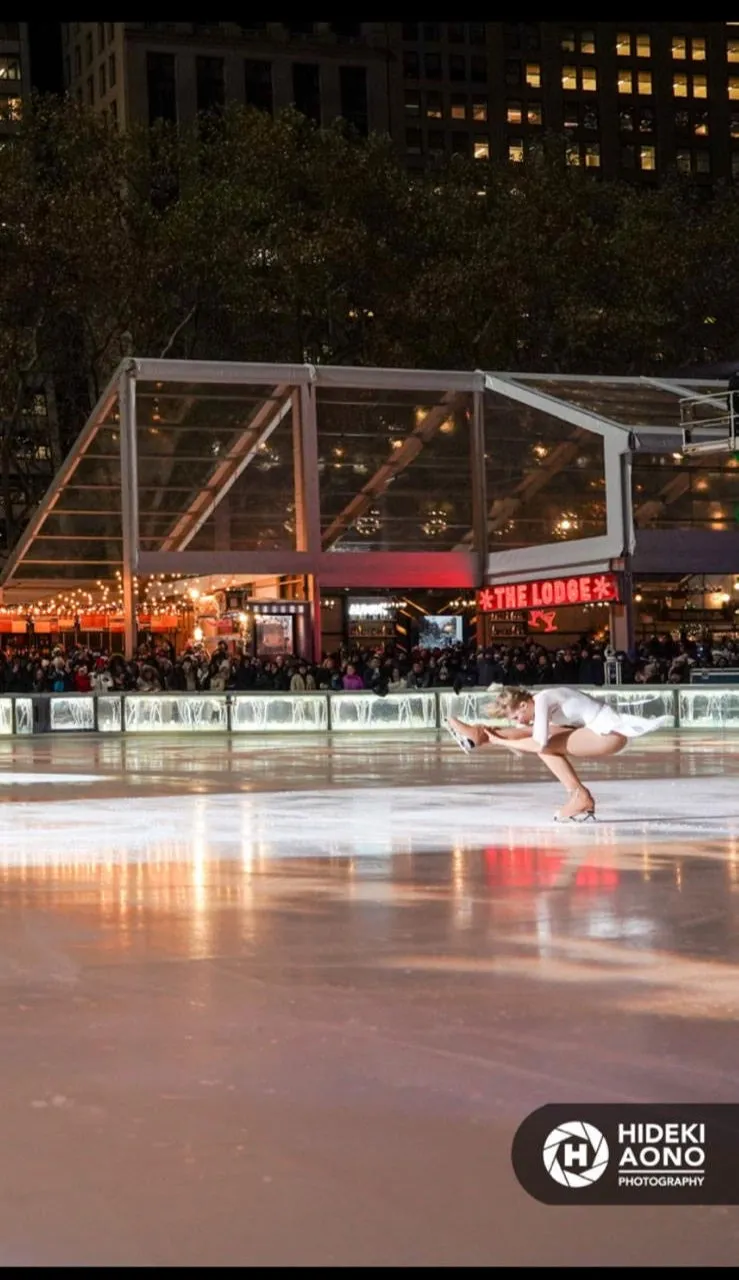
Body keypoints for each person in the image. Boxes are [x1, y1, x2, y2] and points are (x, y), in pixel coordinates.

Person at [445, 686, 673, 823]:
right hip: (600, 730)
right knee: (536, 735)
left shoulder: (543, 700)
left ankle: (579, 796)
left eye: (515, 716)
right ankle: (478, 735)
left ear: (524, 705)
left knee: (545, 746)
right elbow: (531, 734)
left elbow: (539, 743)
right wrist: (501, 739)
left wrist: (499, 741)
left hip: (608, 734)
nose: (516, 720)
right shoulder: (541, 701)